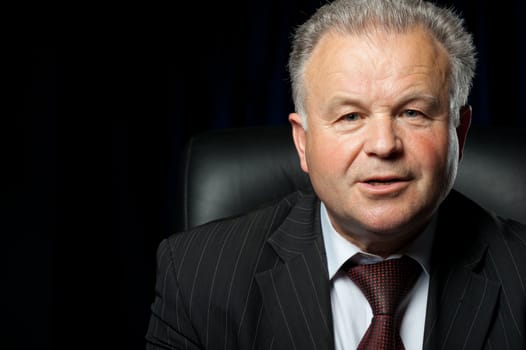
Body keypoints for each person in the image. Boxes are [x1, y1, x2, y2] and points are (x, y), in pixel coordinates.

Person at [145, 0, 526, 349]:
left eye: (413, 113)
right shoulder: (197, 276)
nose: (383, 144)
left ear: (459, 134)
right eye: (350, 116)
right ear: (302, 143)